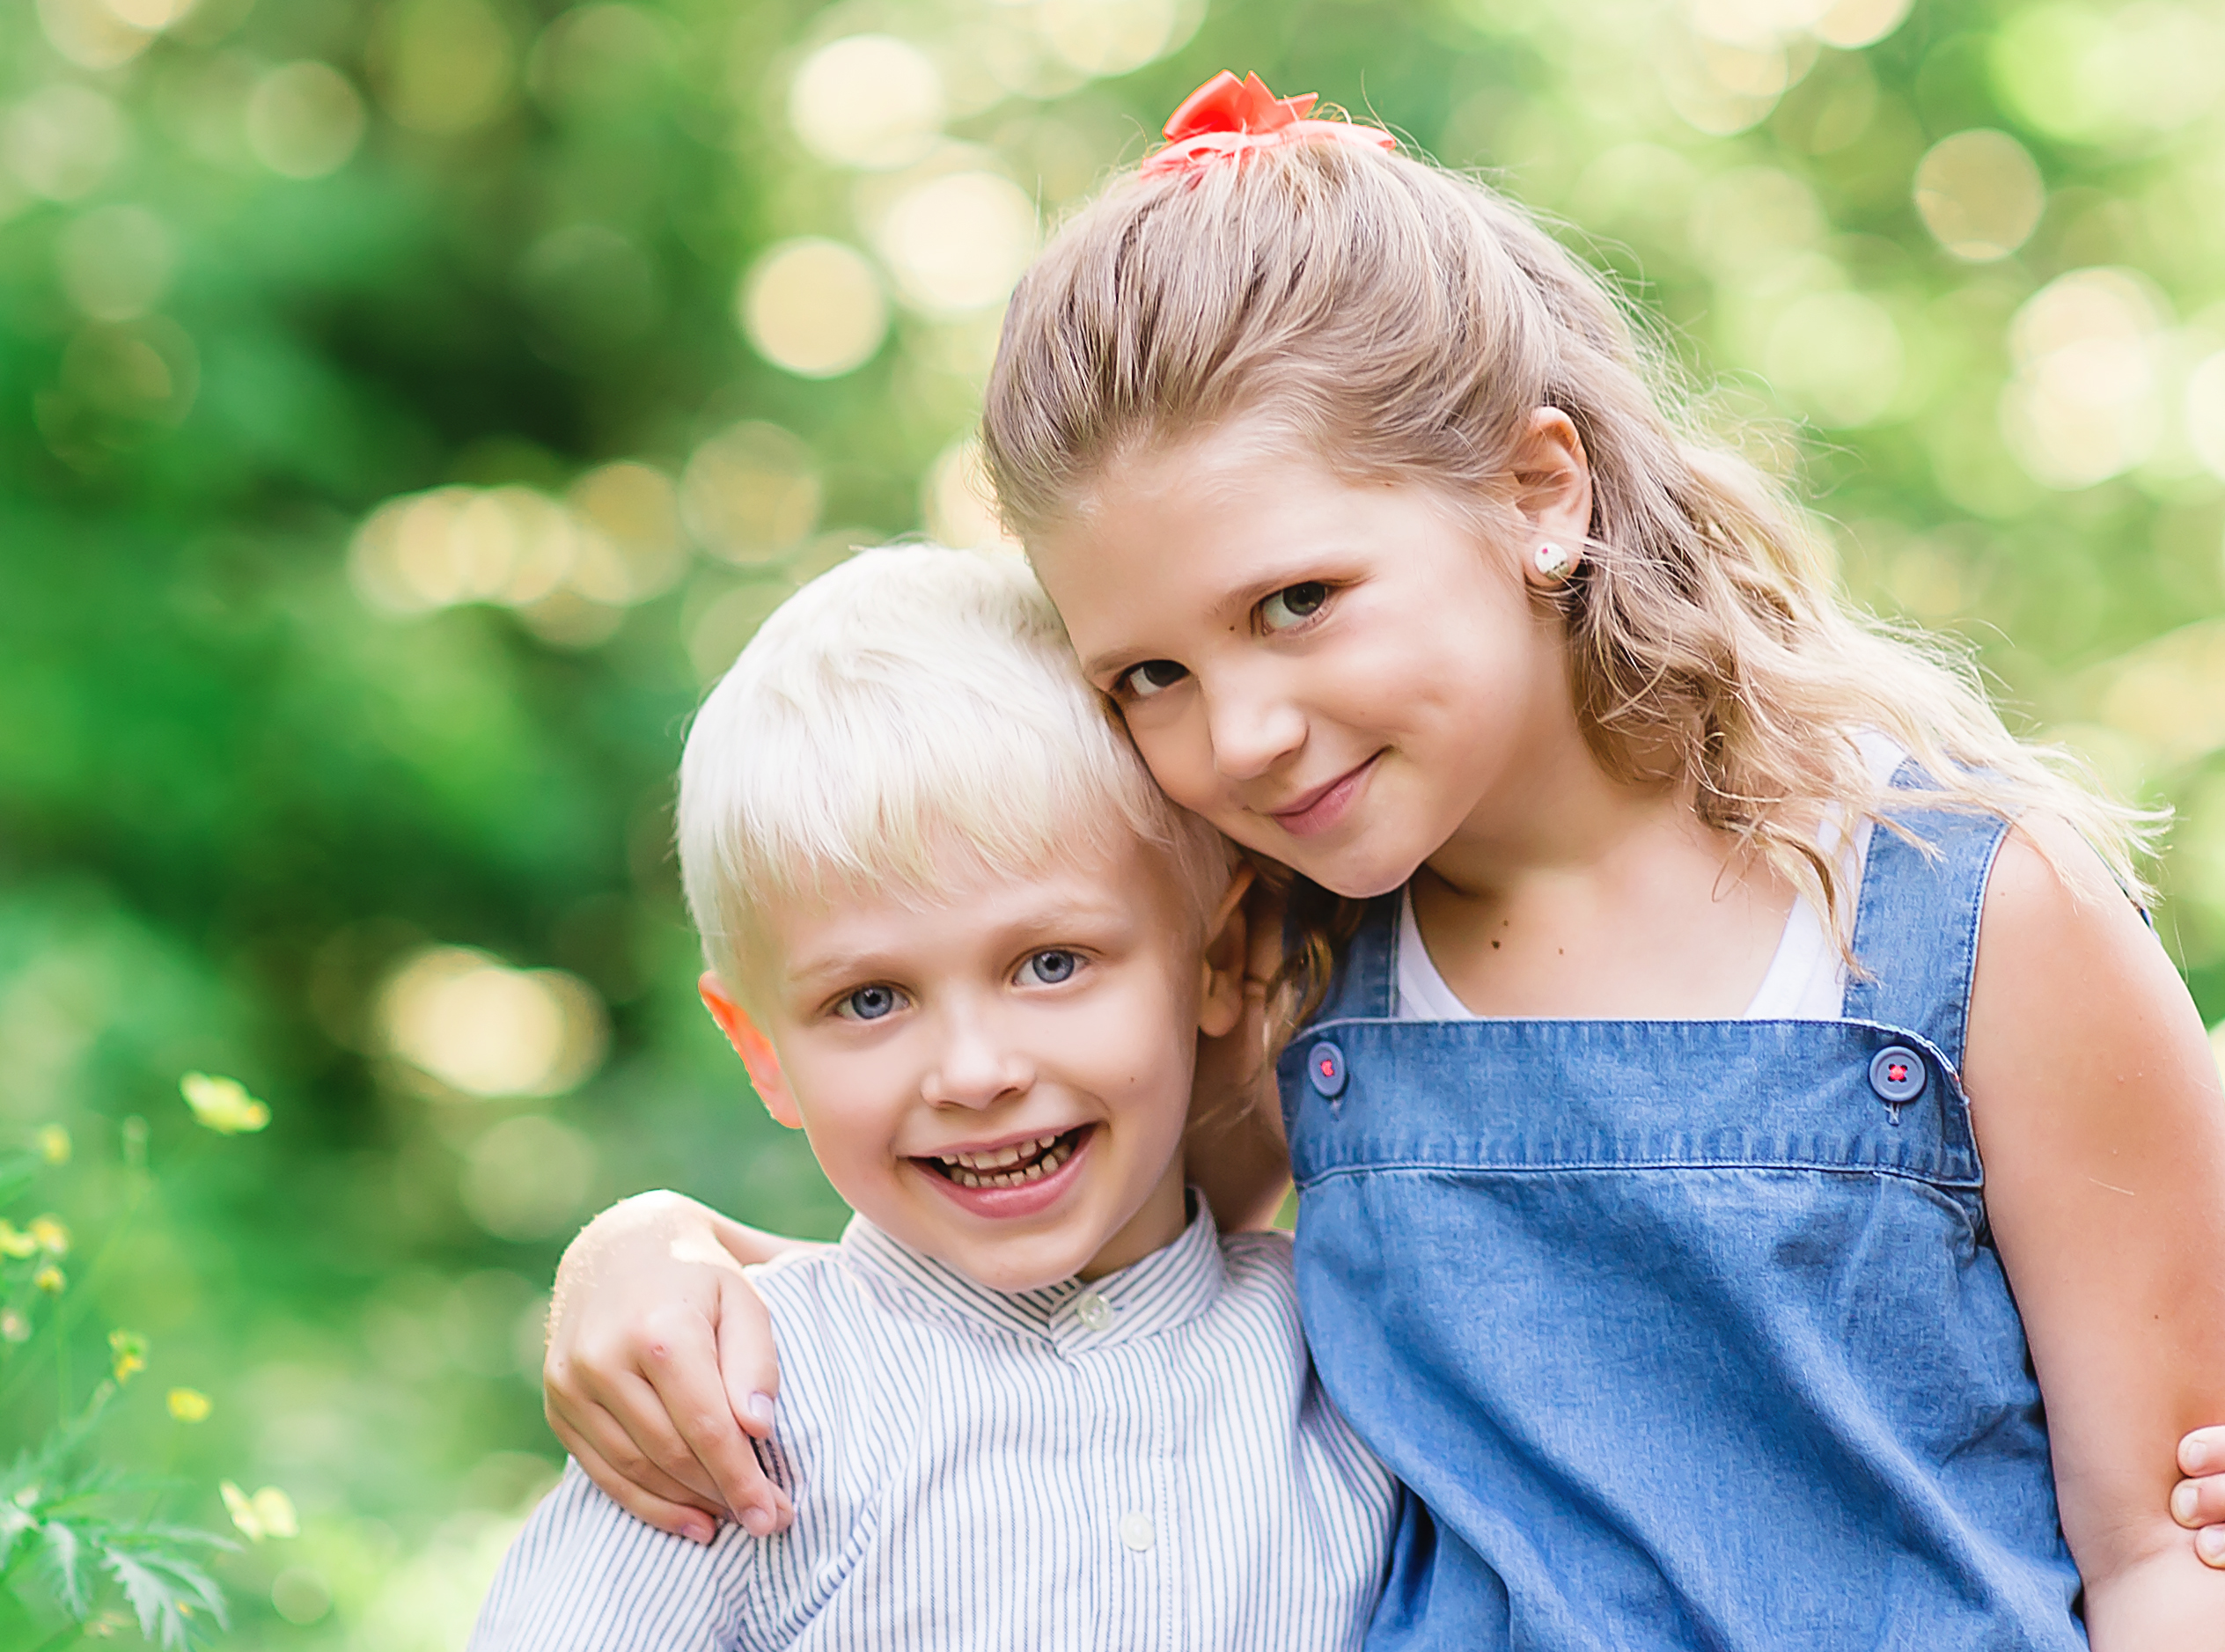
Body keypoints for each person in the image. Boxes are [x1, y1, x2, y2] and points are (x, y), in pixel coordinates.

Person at [539, 73, 2225, 1648]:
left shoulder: (1971, 912)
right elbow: (1020, 1235)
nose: (1245, 733)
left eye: (1295, 602)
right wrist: (651, 1246)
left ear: (1534, 488)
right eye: (1154, 677)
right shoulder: (1289, 968)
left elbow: (2163, 1543)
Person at [470, 546, 1399, 1649]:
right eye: (869, 998)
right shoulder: (737, 1415)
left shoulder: (1349, 1351)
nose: (971, 1070)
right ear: (763, 1051)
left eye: (1050, 963)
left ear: (1218, 955)